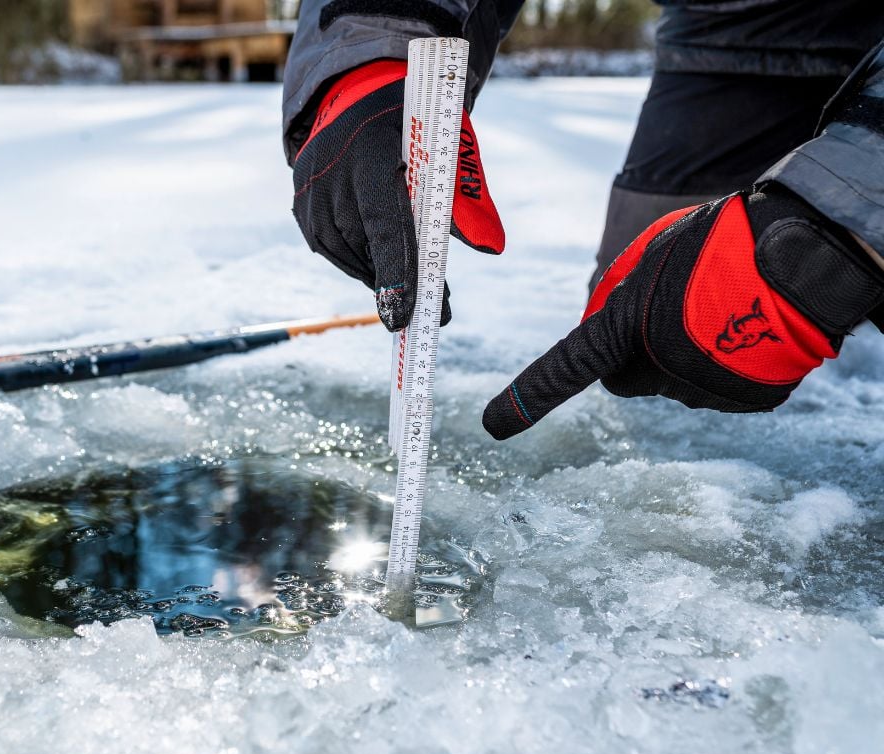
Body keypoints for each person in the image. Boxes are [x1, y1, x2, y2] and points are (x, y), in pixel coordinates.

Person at [284, 1, 884, 439]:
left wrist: (838, 237)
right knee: (651, 325)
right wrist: (369, 57)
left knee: (778, 278)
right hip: (733, 27)